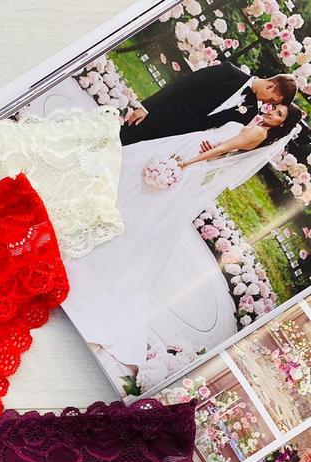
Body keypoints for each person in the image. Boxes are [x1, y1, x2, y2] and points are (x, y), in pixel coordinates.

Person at [62, 103, 304, 373]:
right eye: (276, 108)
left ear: (282, 125)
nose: (272, 112)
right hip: (191, 152)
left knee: (142, 202)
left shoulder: (258, 132)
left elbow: (223, 150)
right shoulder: (256, 125)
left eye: (279, 114)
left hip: (191, 161)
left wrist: (187, 163)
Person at [120, 63, 297, 145]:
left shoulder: (251, 112)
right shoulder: (228, 72)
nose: (267, 104)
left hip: (177, 140)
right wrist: (146, 107)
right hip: (162, 116)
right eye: (271, 100)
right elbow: (182, 84)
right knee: (120, 141)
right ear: (270, 86)